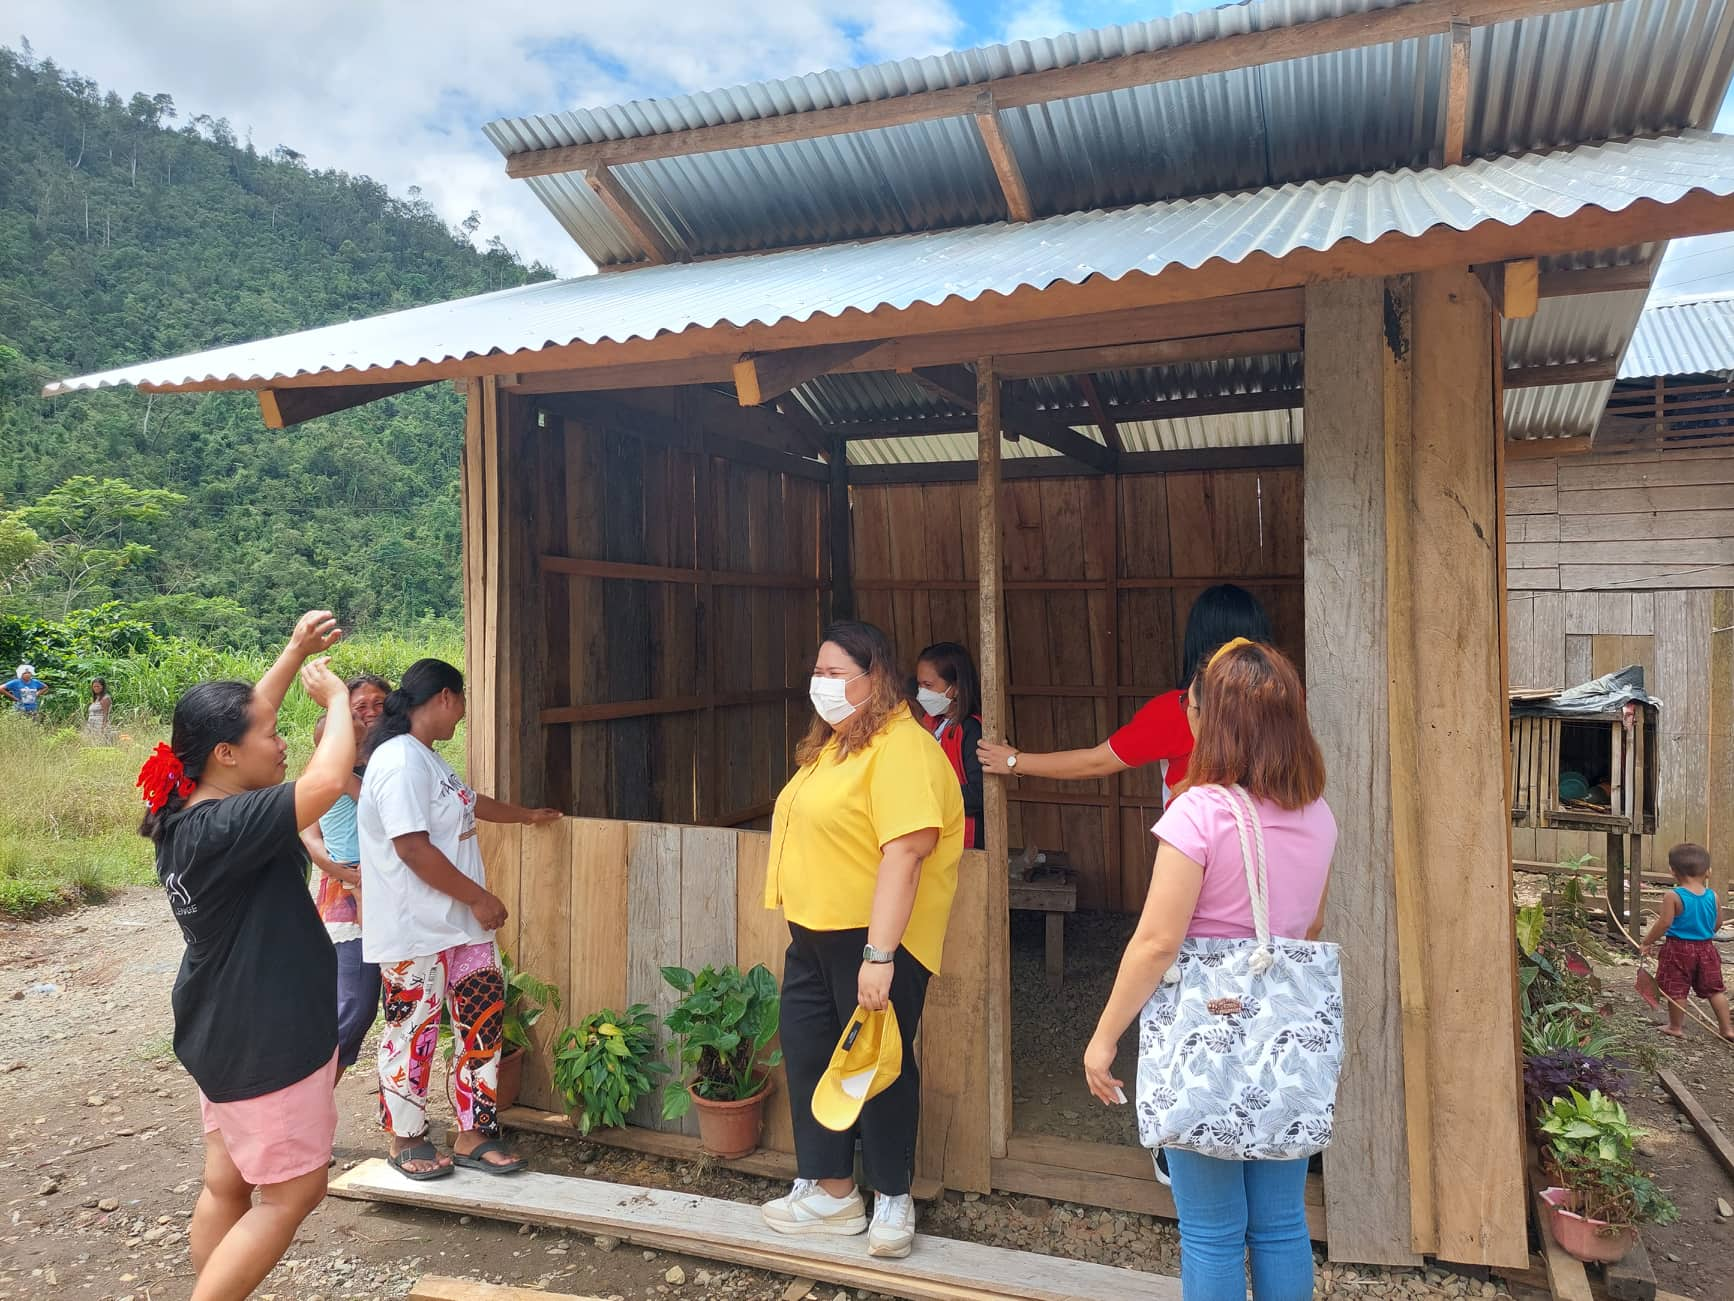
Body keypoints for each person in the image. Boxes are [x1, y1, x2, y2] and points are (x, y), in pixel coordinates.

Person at [1082, 639, 1335, 1300]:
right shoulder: (1318, 815)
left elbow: (1157, 942)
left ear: (1209, 718)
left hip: (1209, 1042)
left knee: (1213, 1232)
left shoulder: (1197, 811)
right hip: (1286, 1041)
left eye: (1193, 703)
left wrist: (1105, 1035)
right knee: (1281, 1224)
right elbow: (1306, 931)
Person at [137, 610, 353, 1301]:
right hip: (265, 1038)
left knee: (225, 1181)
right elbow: (323, 784)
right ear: (226, 754)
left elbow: (245, 722)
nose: (283, 739)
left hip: (221, 1027)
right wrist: (342, 703)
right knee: (293, 1192)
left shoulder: (190, 808)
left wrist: (292, 652)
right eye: (272, 734)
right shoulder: (229, 822)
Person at [760, 620, 965, 1259]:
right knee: (813, 1056)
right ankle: (832, 1191)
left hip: (874, 940)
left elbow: (904, 854)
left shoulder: (902, 748)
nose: (821, 685)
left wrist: (880, 956)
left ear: (874, 677)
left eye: (835, 673)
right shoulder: (835, 746)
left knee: (880, 1069)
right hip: (814, 935)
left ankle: (893, 1199)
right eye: (816, 673)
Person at [356, 658, 563, 1180]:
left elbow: (470, 804)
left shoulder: (428, 760)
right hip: (417, 930)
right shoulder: (399, 762)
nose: (463, 715)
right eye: (462, 702)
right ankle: (406, 1138)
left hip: (461, 930)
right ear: (446, 697)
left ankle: (474, 1133)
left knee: (481, 1026)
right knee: (412, 1031)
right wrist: (478, 897)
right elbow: (411, 848)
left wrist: (527, 815)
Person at [977, 583, 1272, 802]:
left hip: (1202, 862)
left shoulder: (1179, 710)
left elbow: (1095, 761)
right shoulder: (1282, 707)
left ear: (1197, 639)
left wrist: (1014, 760)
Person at [299, 674, 392, 1077]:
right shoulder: (333, 770)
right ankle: (303, 1102)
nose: (370, 715)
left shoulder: (392, 757)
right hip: (348, 891)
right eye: (359, 708)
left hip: (388, 890)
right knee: (354, 1005)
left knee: (395, 1005)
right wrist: (337, 869)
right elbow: (308, 830)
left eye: (379, 705)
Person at [1640, 843, 1734, 1040]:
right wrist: (1704, 934)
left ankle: (1675, 1027)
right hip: (1706, 948)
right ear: (1708, 872)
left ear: (1672, 871)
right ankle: (1727, 1029)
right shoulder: (1713, 895)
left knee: (1676, 988)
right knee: (1715, 990)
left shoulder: (1673, 895)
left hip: (1677, 949)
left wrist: (1647, 941)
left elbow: (1664, 923)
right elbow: (1717, 923)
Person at [913, 641, 984, 850]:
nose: (921, 692)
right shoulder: (926, 722)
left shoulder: (972, 730)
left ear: (954, 689)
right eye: (919, 685)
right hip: (928, 831)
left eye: (928, 686)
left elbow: (980, 793)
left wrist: (928, 797)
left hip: (964, 838)